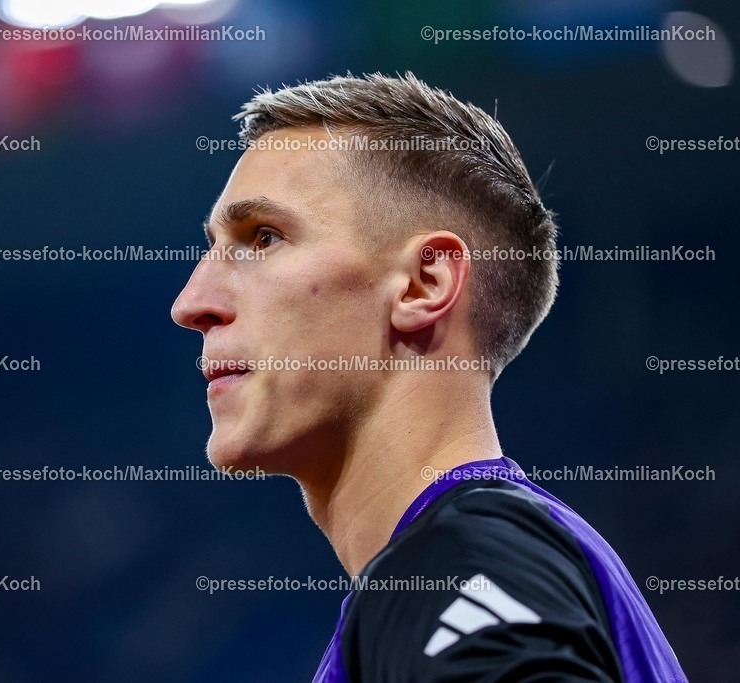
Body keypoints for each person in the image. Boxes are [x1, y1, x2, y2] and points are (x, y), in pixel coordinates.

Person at [171, 73, 686, 682]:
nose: (190, 303)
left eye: (263, 237)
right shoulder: (489, 555)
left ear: (425, 284)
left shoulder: (462, 556)